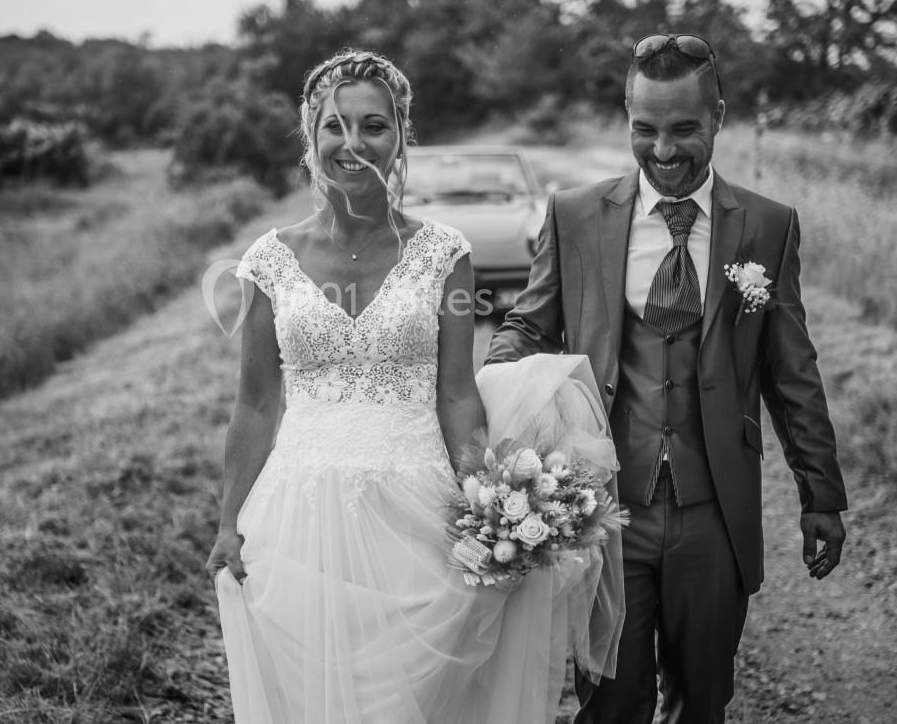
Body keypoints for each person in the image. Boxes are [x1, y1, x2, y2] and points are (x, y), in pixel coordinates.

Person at [206, 48, 623, 723]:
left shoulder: (443, 254)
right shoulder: (267, 262)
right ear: (310, 141)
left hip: (419, 510)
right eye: (334, 127)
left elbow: (457, 396)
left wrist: (488, 506)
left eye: (374, 125)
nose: (354, 143)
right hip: (299, 515)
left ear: (402, 136)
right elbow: (255, 404)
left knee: (415, 701)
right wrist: (228, 523)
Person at [485, 33, 849, 724]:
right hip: (604, 506)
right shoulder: (574, 215)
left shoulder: (767, 227)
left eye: (685, 129)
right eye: (644, 130)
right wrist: (489, 399)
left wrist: (820, 494)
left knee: (703, 694)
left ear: (718, 116)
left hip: (715, 505)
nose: (664, 150)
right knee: (612, 698)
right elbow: (529, 326)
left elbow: (791, 369)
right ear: (627, 117)